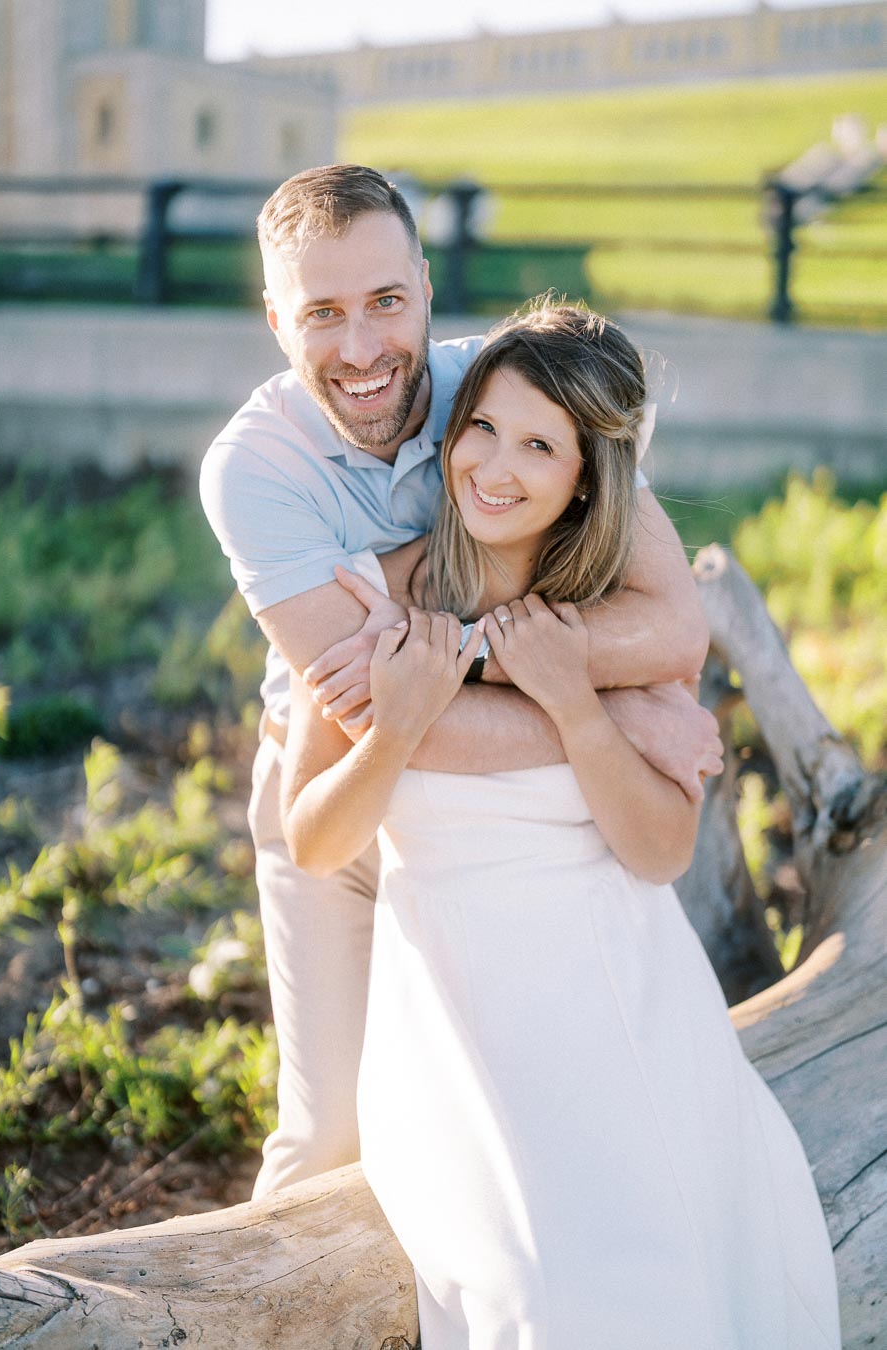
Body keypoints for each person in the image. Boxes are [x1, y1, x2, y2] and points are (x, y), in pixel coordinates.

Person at [279, 301, 841, 1349]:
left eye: (539, 446)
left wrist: (575, 702)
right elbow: (311, 839)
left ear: (586, 478)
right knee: (537, 1292)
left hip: (624, 1005)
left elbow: (661, 851)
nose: (495, 466)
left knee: (666, 1280)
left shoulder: (610, 628)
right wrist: (394, 733)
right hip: (454, 1019)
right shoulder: (370, 601)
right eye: (482, 428)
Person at [199, 163, 723, 1197]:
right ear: (275, 320)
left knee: (533, 1120)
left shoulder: (514, 388)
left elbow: (673, 622)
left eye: (386, 301)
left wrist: (538, 688)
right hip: (343, 791)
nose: (361, 349)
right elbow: (378, 718)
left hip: (526, 815)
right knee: (331, 1140)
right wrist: (612, 719)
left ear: (427, 286)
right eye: (323, 314)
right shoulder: (255, 468)